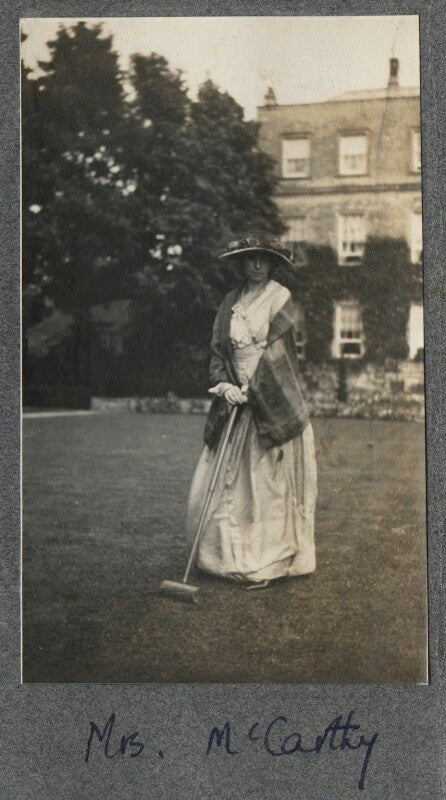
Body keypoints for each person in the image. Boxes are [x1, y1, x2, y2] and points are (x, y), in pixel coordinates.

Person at [186, 235, 317, 590]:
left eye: (263, 259)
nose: (257, 266)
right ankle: (224, 557)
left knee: (265, 487)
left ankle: (264, 559)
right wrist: (226, 386)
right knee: (227, 484)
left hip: (268, 401)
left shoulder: (281, 298)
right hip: (235, 401)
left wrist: (255, 388)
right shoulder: (230, 301)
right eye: (250, 260)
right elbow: (219, 349)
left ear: (272, 264)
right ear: (241, 264)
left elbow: (279, 355)